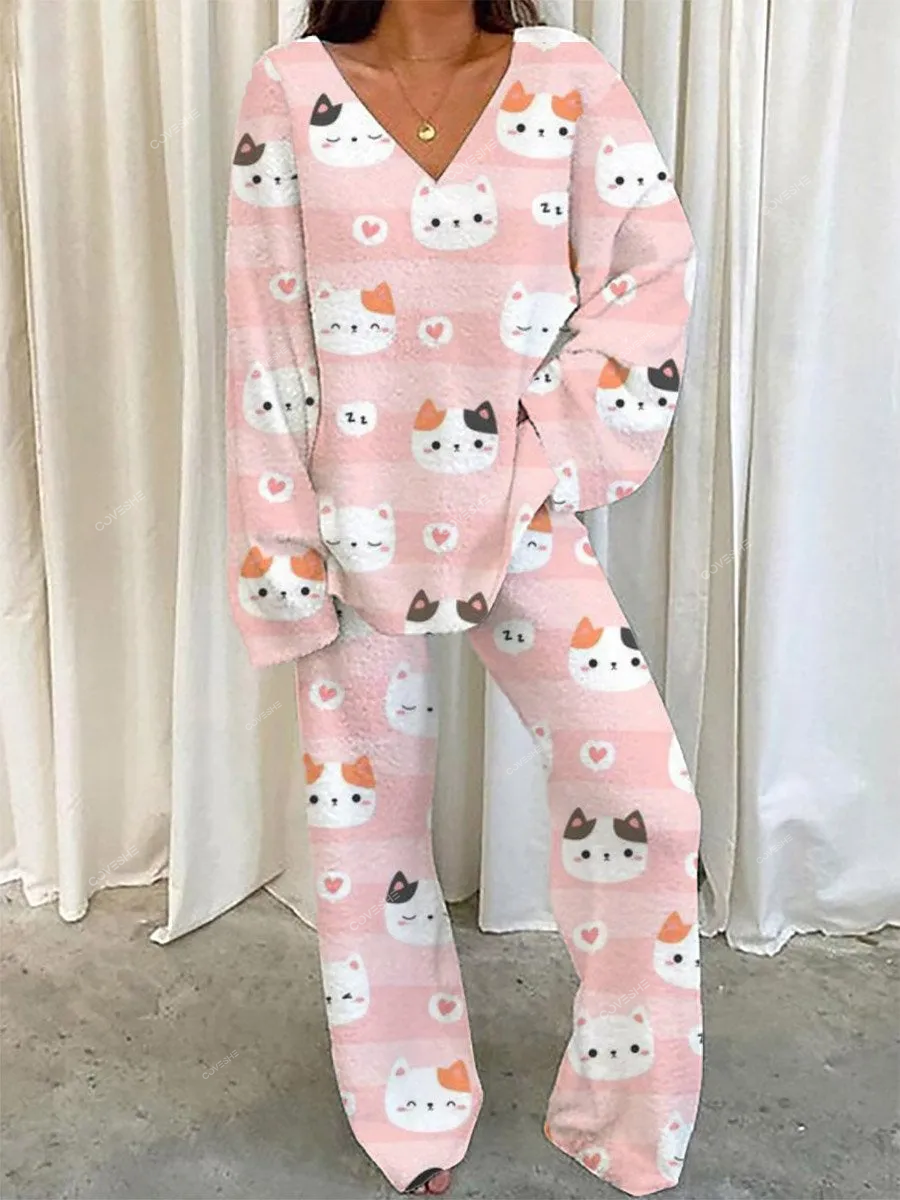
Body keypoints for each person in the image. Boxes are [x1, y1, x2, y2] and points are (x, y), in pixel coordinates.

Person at [225, 0, 701, 1194]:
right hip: (349, 518)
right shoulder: (290, 87)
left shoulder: (569, 78)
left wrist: (552, 451)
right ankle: (412, 1110)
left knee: (645, 804)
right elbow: (265, 333)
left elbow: (651, 270)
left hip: (519, 509)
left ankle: (623, 1112)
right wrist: (284, 549)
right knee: (367, 837)